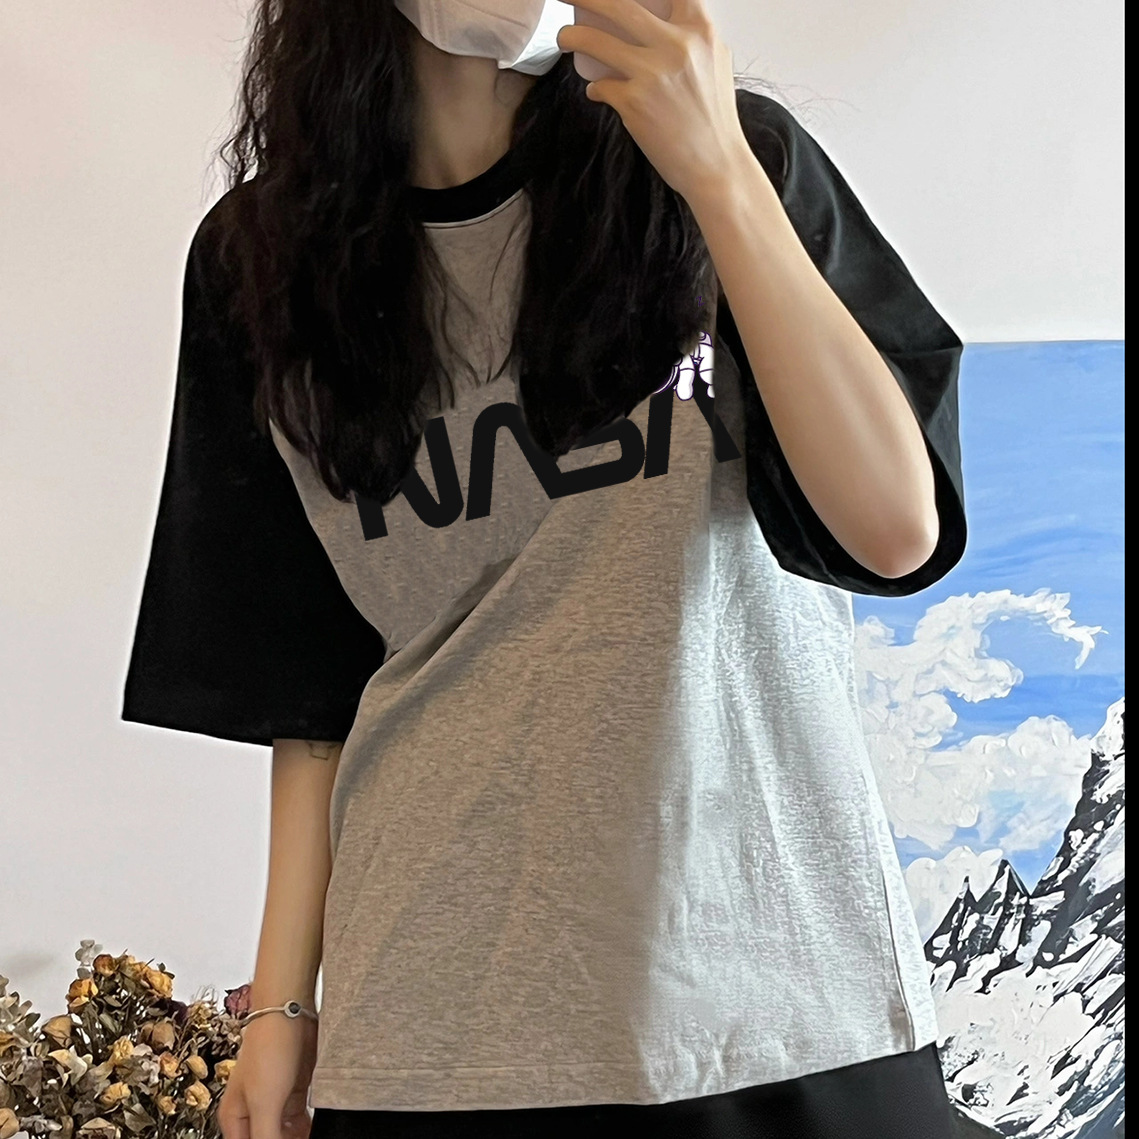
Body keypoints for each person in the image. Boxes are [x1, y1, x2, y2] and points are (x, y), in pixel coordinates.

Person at [121, 1, 968, 1136]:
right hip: (436, 1026)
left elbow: (892, 529)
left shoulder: (728, 155)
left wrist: (715, 169)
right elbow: (313, 689)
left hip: (777, 994)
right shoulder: (260, 260)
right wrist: (281, 1004)